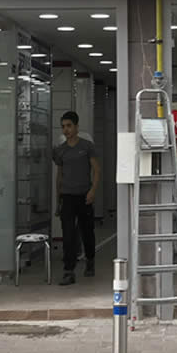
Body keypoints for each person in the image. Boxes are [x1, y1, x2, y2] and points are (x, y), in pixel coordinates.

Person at [53, 111, 99, 285]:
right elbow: (59, 175)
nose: (66, 130)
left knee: (87, 231)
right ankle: (68, 270)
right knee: (68, 234)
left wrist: (93, 191)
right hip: (67, 196)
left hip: (84, 196)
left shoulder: (87, 147)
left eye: (69, 126)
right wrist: (58, 199)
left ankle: (90, 260)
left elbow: (96, 170)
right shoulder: (60, 151)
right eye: (63, 127)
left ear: (76, 127)